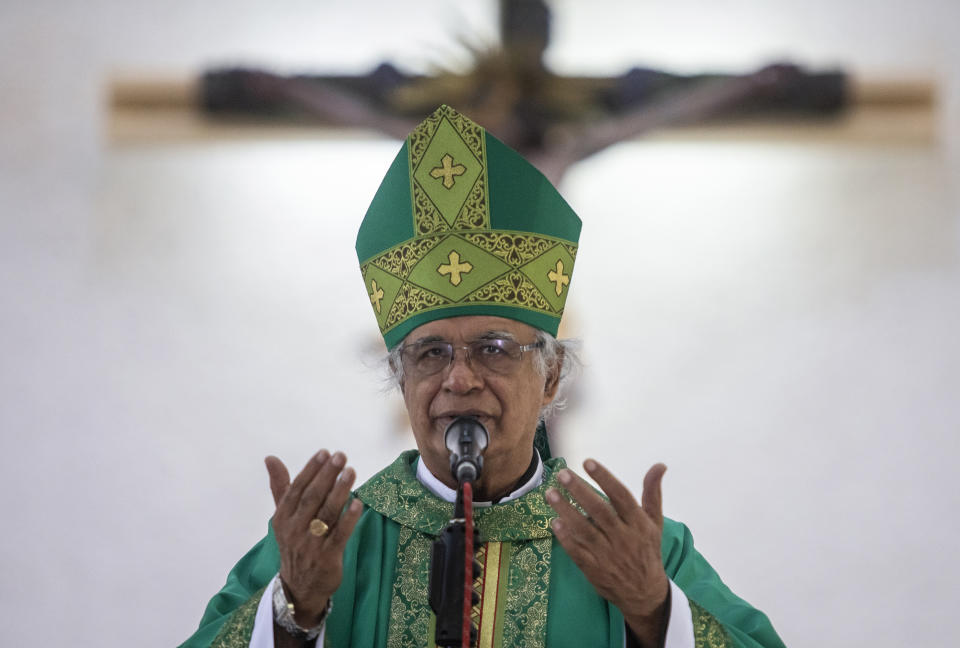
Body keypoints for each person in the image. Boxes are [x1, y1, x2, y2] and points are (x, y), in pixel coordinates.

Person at [180, 105, 785, 648]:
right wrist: (295, 614)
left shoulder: (634, 545)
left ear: (551, 379)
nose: (459, 380)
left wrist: (655, 610)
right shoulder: (327, 539)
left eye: (494, 349)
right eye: (430, 353)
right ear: (402, 380)